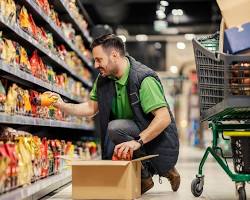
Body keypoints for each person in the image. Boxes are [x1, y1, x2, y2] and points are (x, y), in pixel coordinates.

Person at [47, 34, 180, 194]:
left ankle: (164, 170)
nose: (95, 65)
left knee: (115, 128)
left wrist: (138, 141)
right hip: (128, 132)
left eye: (99, 59)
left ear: (114, 56)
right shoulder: (104, 79)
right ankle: (148, 175)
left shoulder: (143, 79)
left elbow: (163, 118)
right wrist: (62, 105)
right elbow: (90, 108)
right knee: (116, 131)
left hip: (154, 136)